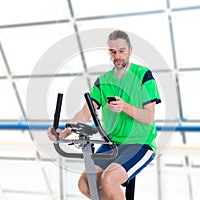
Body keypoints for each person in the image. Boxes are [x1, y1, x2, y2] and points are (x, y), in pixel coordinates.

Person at [47, 30, 161, 199]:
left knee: (109, 180)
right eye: (113, 52)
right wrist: (64, 132)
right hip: (112, 144)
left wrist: (125, 107)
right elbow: (86, 112)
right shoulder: (103, 81)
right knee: (85, 184)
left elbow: (148, 117)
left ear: (130, 49)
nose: (117, 56)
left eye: (122, 51)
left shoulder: (144, 75)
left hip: (140, 143)